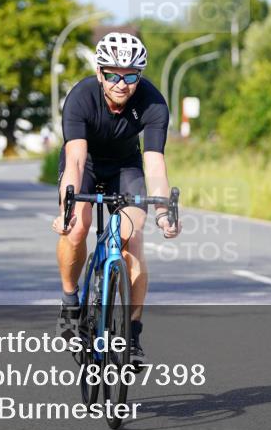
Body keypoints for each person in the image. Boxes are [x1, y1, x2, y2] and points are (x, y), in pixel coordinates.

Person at [51, 32, 180, 364]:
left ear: (141, 76)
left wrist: (164, 211)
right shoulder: (80, 98)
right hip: (88, 165)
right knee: (77, 227)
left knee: (132, 239)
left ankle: (132, 333)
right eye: (113, 74)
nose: (121, 83)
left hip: (126, 167)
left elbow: (155, 164)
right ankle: (70, 301)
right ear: (100, 73)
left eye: (131, 76)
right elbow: (76, 160)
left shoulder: (153, 103)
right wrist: (67, 208)